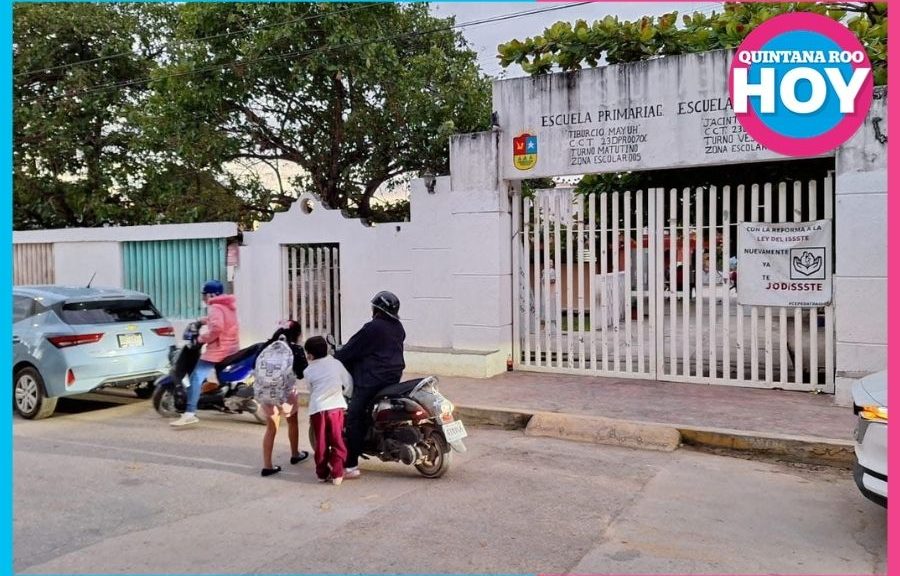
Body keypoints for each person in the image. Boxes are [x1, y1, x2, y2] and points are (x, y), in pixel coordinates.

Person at [334, 291, 406, 479]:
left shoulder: (372, 328)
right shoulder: (398, 327)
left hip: (372, 380)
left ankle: (350, 466)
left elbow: (351, 349)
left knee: (355, 417)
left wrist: (336, 358)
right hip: (393, 377)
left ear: (377, 309)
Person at [171, 279, 240, 428]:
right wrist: (202, 321)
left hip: (218, 350)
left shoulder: (215, 307)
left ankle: (190, 413)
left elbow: (217, 328)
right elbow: (219, 321)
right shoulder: (227, 306)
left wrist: (201, 339)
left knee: (196, 377)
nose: (203, 298)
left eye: (204, 295)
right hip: (231, 347)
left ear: (210, 295)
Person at [258, 320, 310, 476]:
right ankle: (295, 454)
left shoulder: (266, 346)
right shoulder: (296, 349)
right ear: (297, 335)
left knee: (271, 428)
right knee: (292, 423)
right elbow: (302, 373)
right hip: (286, 393)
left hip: (266, 392)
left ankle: (267, 465)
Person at [303, 336, 352, 485]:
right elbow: (348, 383)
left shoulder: (308, 370)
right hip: (335, 408)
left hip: (318, 410)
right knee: (337, 440)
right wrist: (346, 396)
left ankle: (322, 474)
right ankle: (337, 474)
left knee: (321, 443)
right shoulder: (336, 364)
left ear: (310, 355)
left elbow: (311, 390)